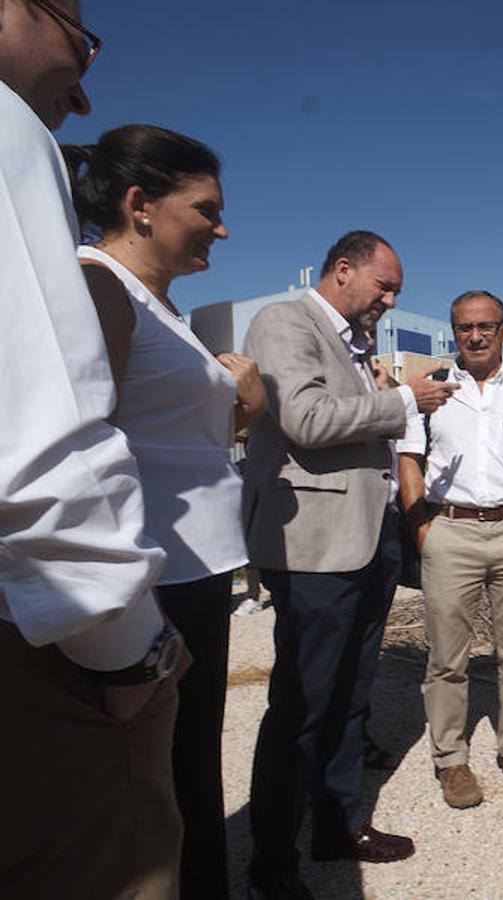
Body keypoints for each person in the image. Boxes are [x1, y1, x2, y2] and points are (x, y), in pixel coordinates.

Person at [0, 3, 185, 897]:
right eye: (81, 35)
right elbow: (41, 444)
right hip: (46, 640)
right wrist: (130, 650)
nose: (81, 93)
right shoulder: (8, 131)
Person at [68, 123, 264, 900]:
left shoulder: (161, 308)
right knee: (150, 789)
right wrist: (124, 628)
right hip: (153, 582)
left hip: (196, 569)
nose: (223, 227)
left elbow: (183, 438)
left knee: (186, 774)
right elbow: (80, 449)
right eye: (207, 208)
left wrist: (245, 403)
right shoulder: (99, 288)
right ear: (141, 204)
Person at [243, 231, 454, 899]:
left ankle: (337, 826)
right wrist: (402, 402)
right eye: (383, 287)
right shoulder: (285, 322)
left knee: (347, 698)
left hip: (367, 539)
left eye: (396, 292)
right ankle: (272, 862)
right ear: (341, 270)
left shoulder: (357, 346)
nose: (389, 300)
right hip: (315, 549)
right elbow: (304, 418)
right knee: (302, 706)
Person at [397, 290, 503, 808]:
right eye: (465, 327)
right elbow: (409, 458)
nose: (475, 336)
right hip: (450, 531)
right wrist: (422, 531)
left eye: (486, 327)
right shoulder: (430, 391)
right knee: (447, 658)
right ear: (454, 331)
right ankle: (451, 759)